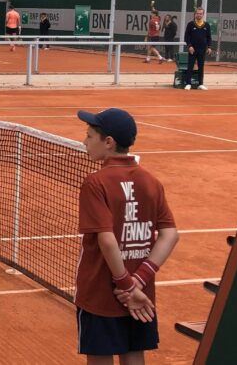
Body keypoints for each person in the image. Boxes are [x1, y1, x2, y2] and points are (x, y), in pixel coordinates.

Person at [75, 107, 179, 364]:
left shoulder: (95, 182)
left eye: (89, 136)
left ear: (108, 142)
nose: (84, 141)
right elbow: (170, 235)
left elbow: (107, 240)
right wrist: (138, 282)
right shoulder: (151, 181)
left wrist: (126, 286)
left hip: (100, 294)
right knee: (134, 356)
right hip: (141, 294)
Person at [184, 7, 212, 91]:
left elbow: (209, 37)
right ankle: (188, 83)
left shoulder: (206, 25)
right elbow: (186, 37)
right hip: (192, 49)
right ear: (195, 14)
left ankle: (200, 84)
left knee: (201, 66)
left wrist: (209, 47)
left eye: (200, 14)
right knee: (190, 66)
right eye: (197, 13)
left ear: (203, 14)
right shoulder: (190, 24)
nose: (199, 15)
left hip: (202, 49)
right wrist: (189, 46)